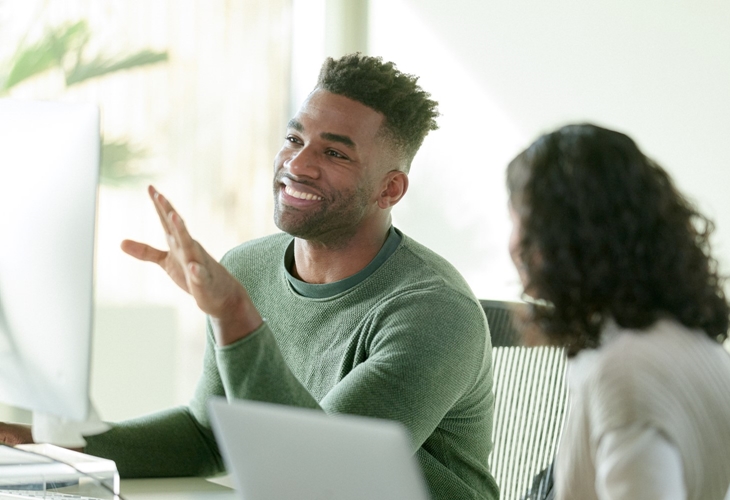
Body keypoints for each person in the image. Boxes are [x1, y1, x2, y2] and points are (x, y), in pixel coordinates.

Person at [0, 53, 500, 500]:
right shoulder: (249, 267)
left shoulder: (433, 313)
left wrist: (235, 315)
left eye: (335, 153)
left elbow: (319, 482)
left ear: (390, 190)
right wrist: (50, 445)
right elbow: (207, 434)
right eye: (294, 138)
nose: (297, 164)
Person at [506, 124, 730, 500]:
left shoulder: (624, 370)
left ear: (559, 236)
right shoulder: (685, 342)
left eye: (517, 221)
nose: (513, 243)